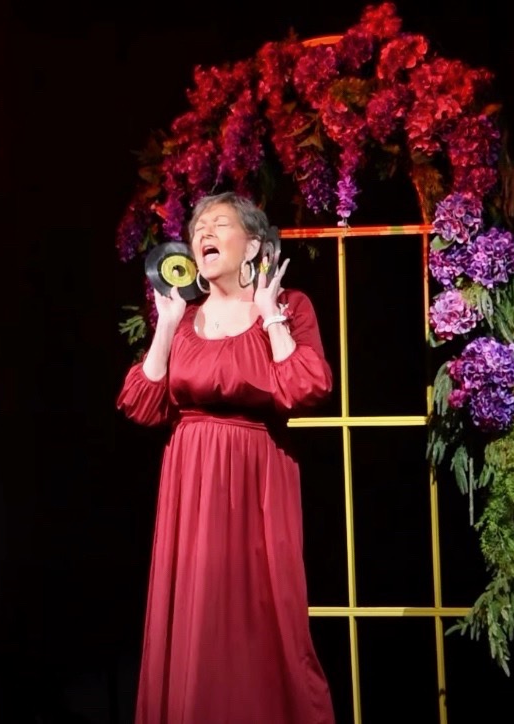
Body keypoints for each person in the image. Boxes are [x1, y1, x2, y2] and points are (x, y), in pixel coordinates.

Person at [117, 191, 337, 724]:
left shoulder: (289, 306)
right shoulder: (184, 318)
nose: (204, 234)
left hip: (257, 477)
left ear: (254, 245)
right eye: (198, 228)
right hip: (190, 478)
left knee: (263, 611)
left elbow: (306, 387)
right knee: (195, 613)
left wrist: (269, 315)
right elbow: (142, 404)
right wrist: (166, 324)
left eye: (219, 224)